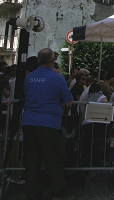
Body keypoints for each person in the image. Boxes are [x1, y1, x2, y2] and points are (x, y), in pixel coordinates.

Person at [22, 48, 74, 200]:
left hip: (29, 122)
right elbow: (68, 100)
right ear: (52, 61)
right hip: (49, 123)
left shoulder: (29, 77)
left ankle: (33, 194)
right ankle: (58, 193)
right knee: (54, 162)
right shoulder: (57, 78)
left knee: (32, 162)